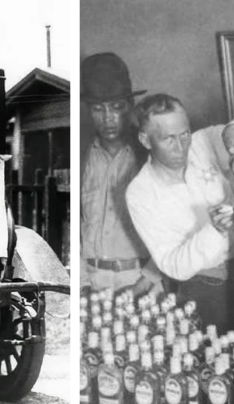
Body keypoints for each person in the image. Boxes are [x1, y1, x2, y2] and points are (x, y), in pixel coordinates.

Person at [125, 93, 234, 333]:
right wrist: (214, 230)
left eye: (184, 134)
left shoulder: (202, 143)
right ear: (145, 140)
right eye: (168, 139)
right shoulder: (140, 193)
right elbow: (172, 265)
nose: (181, 147)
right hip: (206, 290)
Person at [80, 52, 162, 295]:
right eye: (98, 108)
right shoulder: (79, 158)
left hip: (142, 281)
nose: (108, 118)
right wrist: (83, 285)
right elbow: (72, 227)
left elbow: (173, 228)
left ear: (129, 106)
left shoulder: (151, 156)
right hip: (91, 285)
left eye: (116, 107)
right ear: (88, 109)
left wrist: (146, 281)